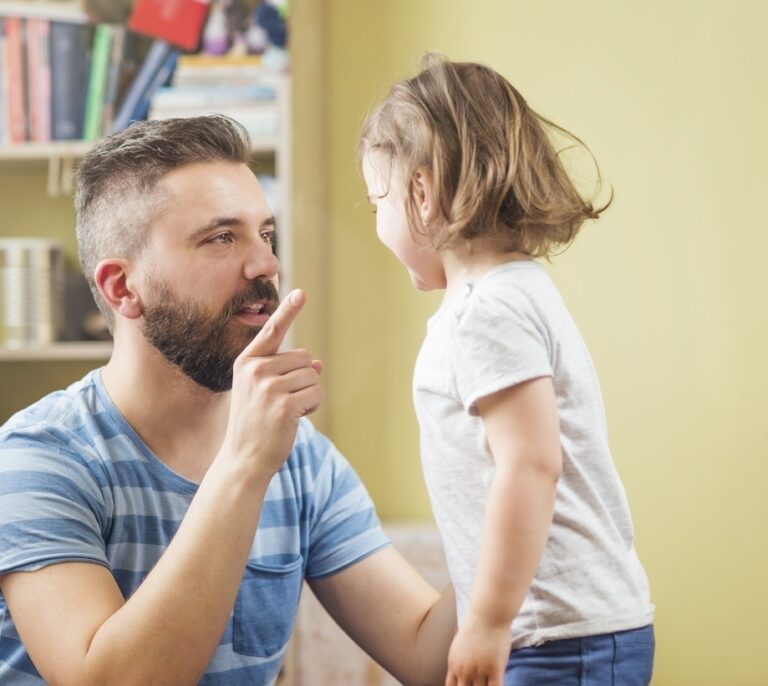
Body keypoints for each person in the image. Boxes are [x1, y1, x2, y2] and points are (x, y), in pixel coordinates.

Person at [0, 115, 456, 685]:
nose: (266, 264)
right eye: (221, 238)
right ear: (123, 288)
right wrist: (244, 464)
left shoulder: (301, 460)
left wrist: (503, 496)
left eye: (265, 234)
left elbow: (430, 658)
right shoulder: (37, 458)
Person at [359, 54, 655, 686]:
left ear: (421, 192)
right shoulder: (514, 291)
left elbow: (531, 462)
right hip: (566, 632)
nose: (377, 224)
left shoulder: (485, 312)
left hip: (552, 637)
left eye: (375, 202)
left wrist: (490, 622)